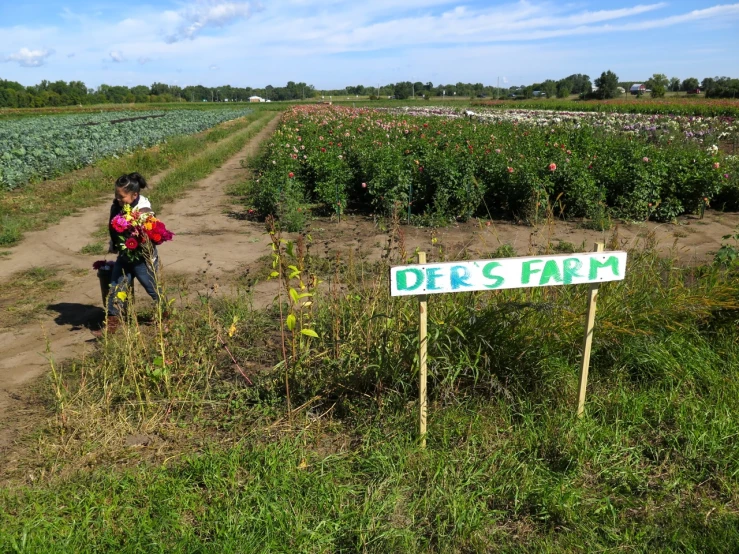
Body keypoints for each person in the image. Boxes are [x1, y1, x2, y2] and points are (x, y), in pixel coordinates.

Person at [99, 172, 165, 335]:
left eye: (122, 197)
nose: (119, 199)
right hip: (125, 256)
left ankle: (166, 316)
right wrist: (114, 244)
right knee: (116, 287)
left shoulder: (144, 211)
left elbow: (150, 233)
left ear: (135, 195)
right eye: (117, 195)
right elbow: (114, 227)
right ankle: (111, 326)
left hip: (142, 258)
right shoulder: (117, 206)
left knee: (152, 288)